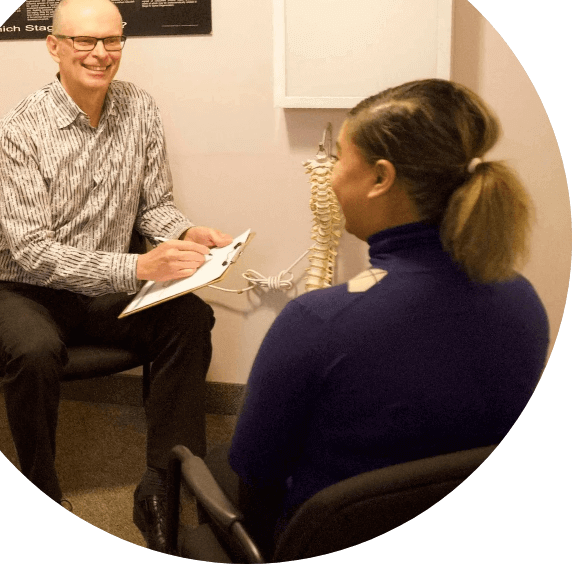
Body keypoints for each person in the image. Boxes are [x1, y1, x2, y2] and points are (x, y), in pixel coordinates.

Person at [218, 79, 550, 558]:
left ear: (380, 178)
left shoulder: (316, 321)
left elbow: (256, 476)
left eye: (340, 158)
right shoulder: (523, 300)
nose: (330, 175)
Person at [0, 0, 231, 552]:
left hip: (104, 284)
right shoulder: (20, 129)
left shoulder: (140, 108)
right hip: (25, 288)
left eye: (112, 39)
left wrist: (186, 234)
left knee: (189, 319)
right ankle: (42, 485)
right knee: (34, 351)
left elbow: (154, 204)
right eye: (84, 40)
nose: (100, 52)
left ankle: (165, 483)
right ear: (54, 47)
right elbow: (30, 252)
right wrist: (140, 264)